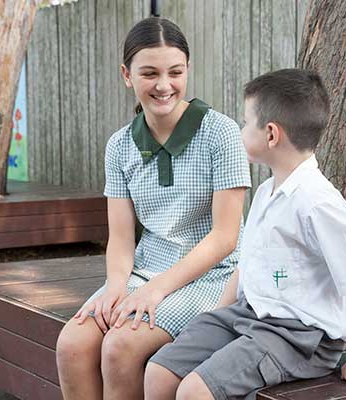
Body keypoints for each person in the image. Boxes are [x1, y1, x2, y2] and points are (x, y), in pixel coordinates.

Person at [145, 69, 346, 400]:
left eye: (246, 122)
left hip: (299, 337)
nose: (240, 129)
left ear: (271, 134)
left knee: (195, 391)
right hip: (248, 315)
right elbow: (247, 264)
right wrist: (219, 316)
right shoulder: (267, 192)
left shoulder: (316, 202)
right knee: (159, 373)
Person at [54, 17, 251, 400]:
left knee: (119, 346)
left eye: (175, 72)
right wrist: (115, 289)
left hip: (214, 276)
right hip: (145, 272)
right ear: (127, 75)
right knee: (72, 345)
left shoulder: (221, 133)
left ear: (188, 70)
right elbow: (122, 239)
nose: (164, 85)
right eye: (150, 73)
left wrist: (156, 291)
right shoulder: (119, 145)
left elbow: (226, 239)